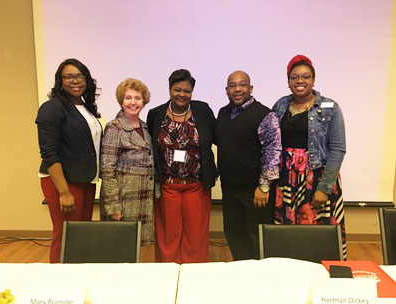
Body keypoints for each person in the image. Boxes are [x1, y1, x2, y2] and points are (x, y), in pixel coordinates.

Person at [272, 55, 347, 257]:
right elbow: (272, 143)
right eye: (294, 77)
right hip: (287, 179)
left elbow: (338, 149)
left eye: (306, 76)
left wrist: (324, 188)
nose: (300, 81)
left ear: (313, 80)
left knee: (318, 234)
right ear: (288, 81)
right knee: (288, 236)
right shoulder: (280, 105)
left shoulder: (329, 107)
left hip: (317, 178)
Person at [147, 69, 218, 263]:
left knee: (195, 237)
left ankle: (194, 279)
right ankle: (167, 277)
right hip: (168, 186)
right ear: (170, 90)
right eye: (177, 89)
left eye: (187, 91)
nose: (182, 94)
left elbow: (219, 137)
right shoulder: (156, 114)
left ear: (192, 92)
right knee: (168, 237)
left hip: (197, 185)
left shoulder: (202, 111)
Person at [35, 58, 102, 263]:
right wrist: (64, 192)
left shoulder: (84, 106)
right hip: (63, 182)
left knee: (81, 236)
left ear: (87, 80)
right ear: (60, 81)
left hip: (83, 180)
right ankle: (58, 286)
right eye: (69, 76)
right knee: (65, 236)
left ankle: (77, 282)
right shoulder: (52, 108)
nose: (75, 81)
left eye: (79, 76)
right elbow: (49, 153)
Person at [216, 70, 282, 261]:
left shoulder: (264, 115)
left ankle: (261, 283)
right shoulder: (223, 113)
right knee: (235, 235)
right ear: (226, 90)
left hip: (255, 193)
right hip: (230, 191)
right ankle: (242, 276)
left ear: (250, 88)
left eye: (242, 84)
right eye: (233, 85)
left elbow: (273, 150)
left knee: (257, 240)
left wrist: (263, 186)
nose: (237, 89)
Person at [100, 78, 154, 246]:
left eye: (137, 98)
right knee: (120, 246)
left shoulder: (145, 127)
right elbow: (107, 169)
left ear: (144, 101)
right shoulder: (114, 127)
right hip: (123, 200)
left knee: (135, 246)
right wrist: (113, 206)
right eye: (128, 98)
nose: (133, 102)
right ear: (121, 101)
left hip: (143, 199)